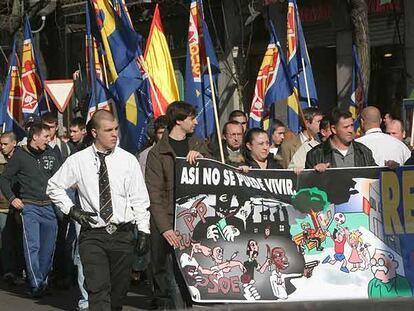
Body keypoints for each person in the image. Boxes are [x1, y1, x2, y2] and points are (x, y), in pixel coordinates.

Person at [47, 110, 150, 310]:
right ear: (94, 132)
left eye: (116, 129)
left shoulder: (128, 160)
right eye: (108, 130)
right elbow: (54, 186)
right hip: (93, 235)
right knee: (98, 290)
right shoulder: (78, 160)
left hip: (123, 235)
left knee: (118, 295)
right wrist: (73, 210)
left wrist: (144, 230)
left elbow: (139, 198)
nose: (114, 134)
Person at [145, 101, 210, 309]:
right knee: (172, 276)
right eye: (192, 118)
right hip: (170, 222)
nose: (196, 122)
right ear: (179, 121)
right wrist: (165, 228)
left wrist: (203, 160)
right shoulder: (158, 153)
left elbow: (217, 172)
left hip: (195, 221)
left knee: (194, 273)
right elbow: (154, 195)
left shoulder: (198, 144)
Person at [0, 123, 61, 297]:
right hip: (30, 207)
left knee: (48, 249)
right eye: (45, 137)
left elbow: (60, 178)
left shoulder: (51, 154)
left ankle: (42, 280)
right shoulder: (19, 156)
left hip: (49, 207)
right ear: (35, 136)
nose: (48, 140)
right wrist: (13, 199)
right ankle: (36, 285)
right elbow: (4, 180)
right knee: (32, 247)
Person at [306, 108, 376, 170]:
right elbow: (307, 182)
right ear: (333, 129)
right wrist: (316, 174)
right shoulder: (315, 154)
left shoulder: (363, 151)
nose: (350, 130)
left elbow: (376, 177)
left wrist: (386, 167)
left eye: (351, 126)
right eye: (346, 127)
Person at [0, 132, 25, 285]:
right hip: (3, 206)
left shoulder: (22, 158)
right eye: (0, 144)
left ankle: (21, 269)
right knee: (6, 239)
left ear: (14, 143)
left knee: (21, 239)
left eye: (4, 144)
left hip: (21, 205)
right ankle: (9, 271)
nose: (2, 147)